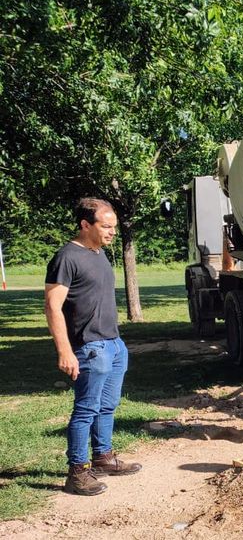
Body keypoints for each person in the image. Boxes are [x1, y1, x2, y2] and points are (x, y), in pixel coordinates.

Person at [45, 198, 141, 496]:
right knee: (85, 409)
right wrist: (64, 350)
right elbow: (52, 306)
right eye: (106, 226)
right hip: (89, 348)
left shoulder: (99, 253)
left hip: (113, 344)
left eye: (113, 226)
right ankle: (77, 473)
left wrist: (119, 344)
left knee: (107, 406)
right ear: (85, 224)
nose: (112, 232)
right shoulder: (66, 257)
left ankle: (103, 457)